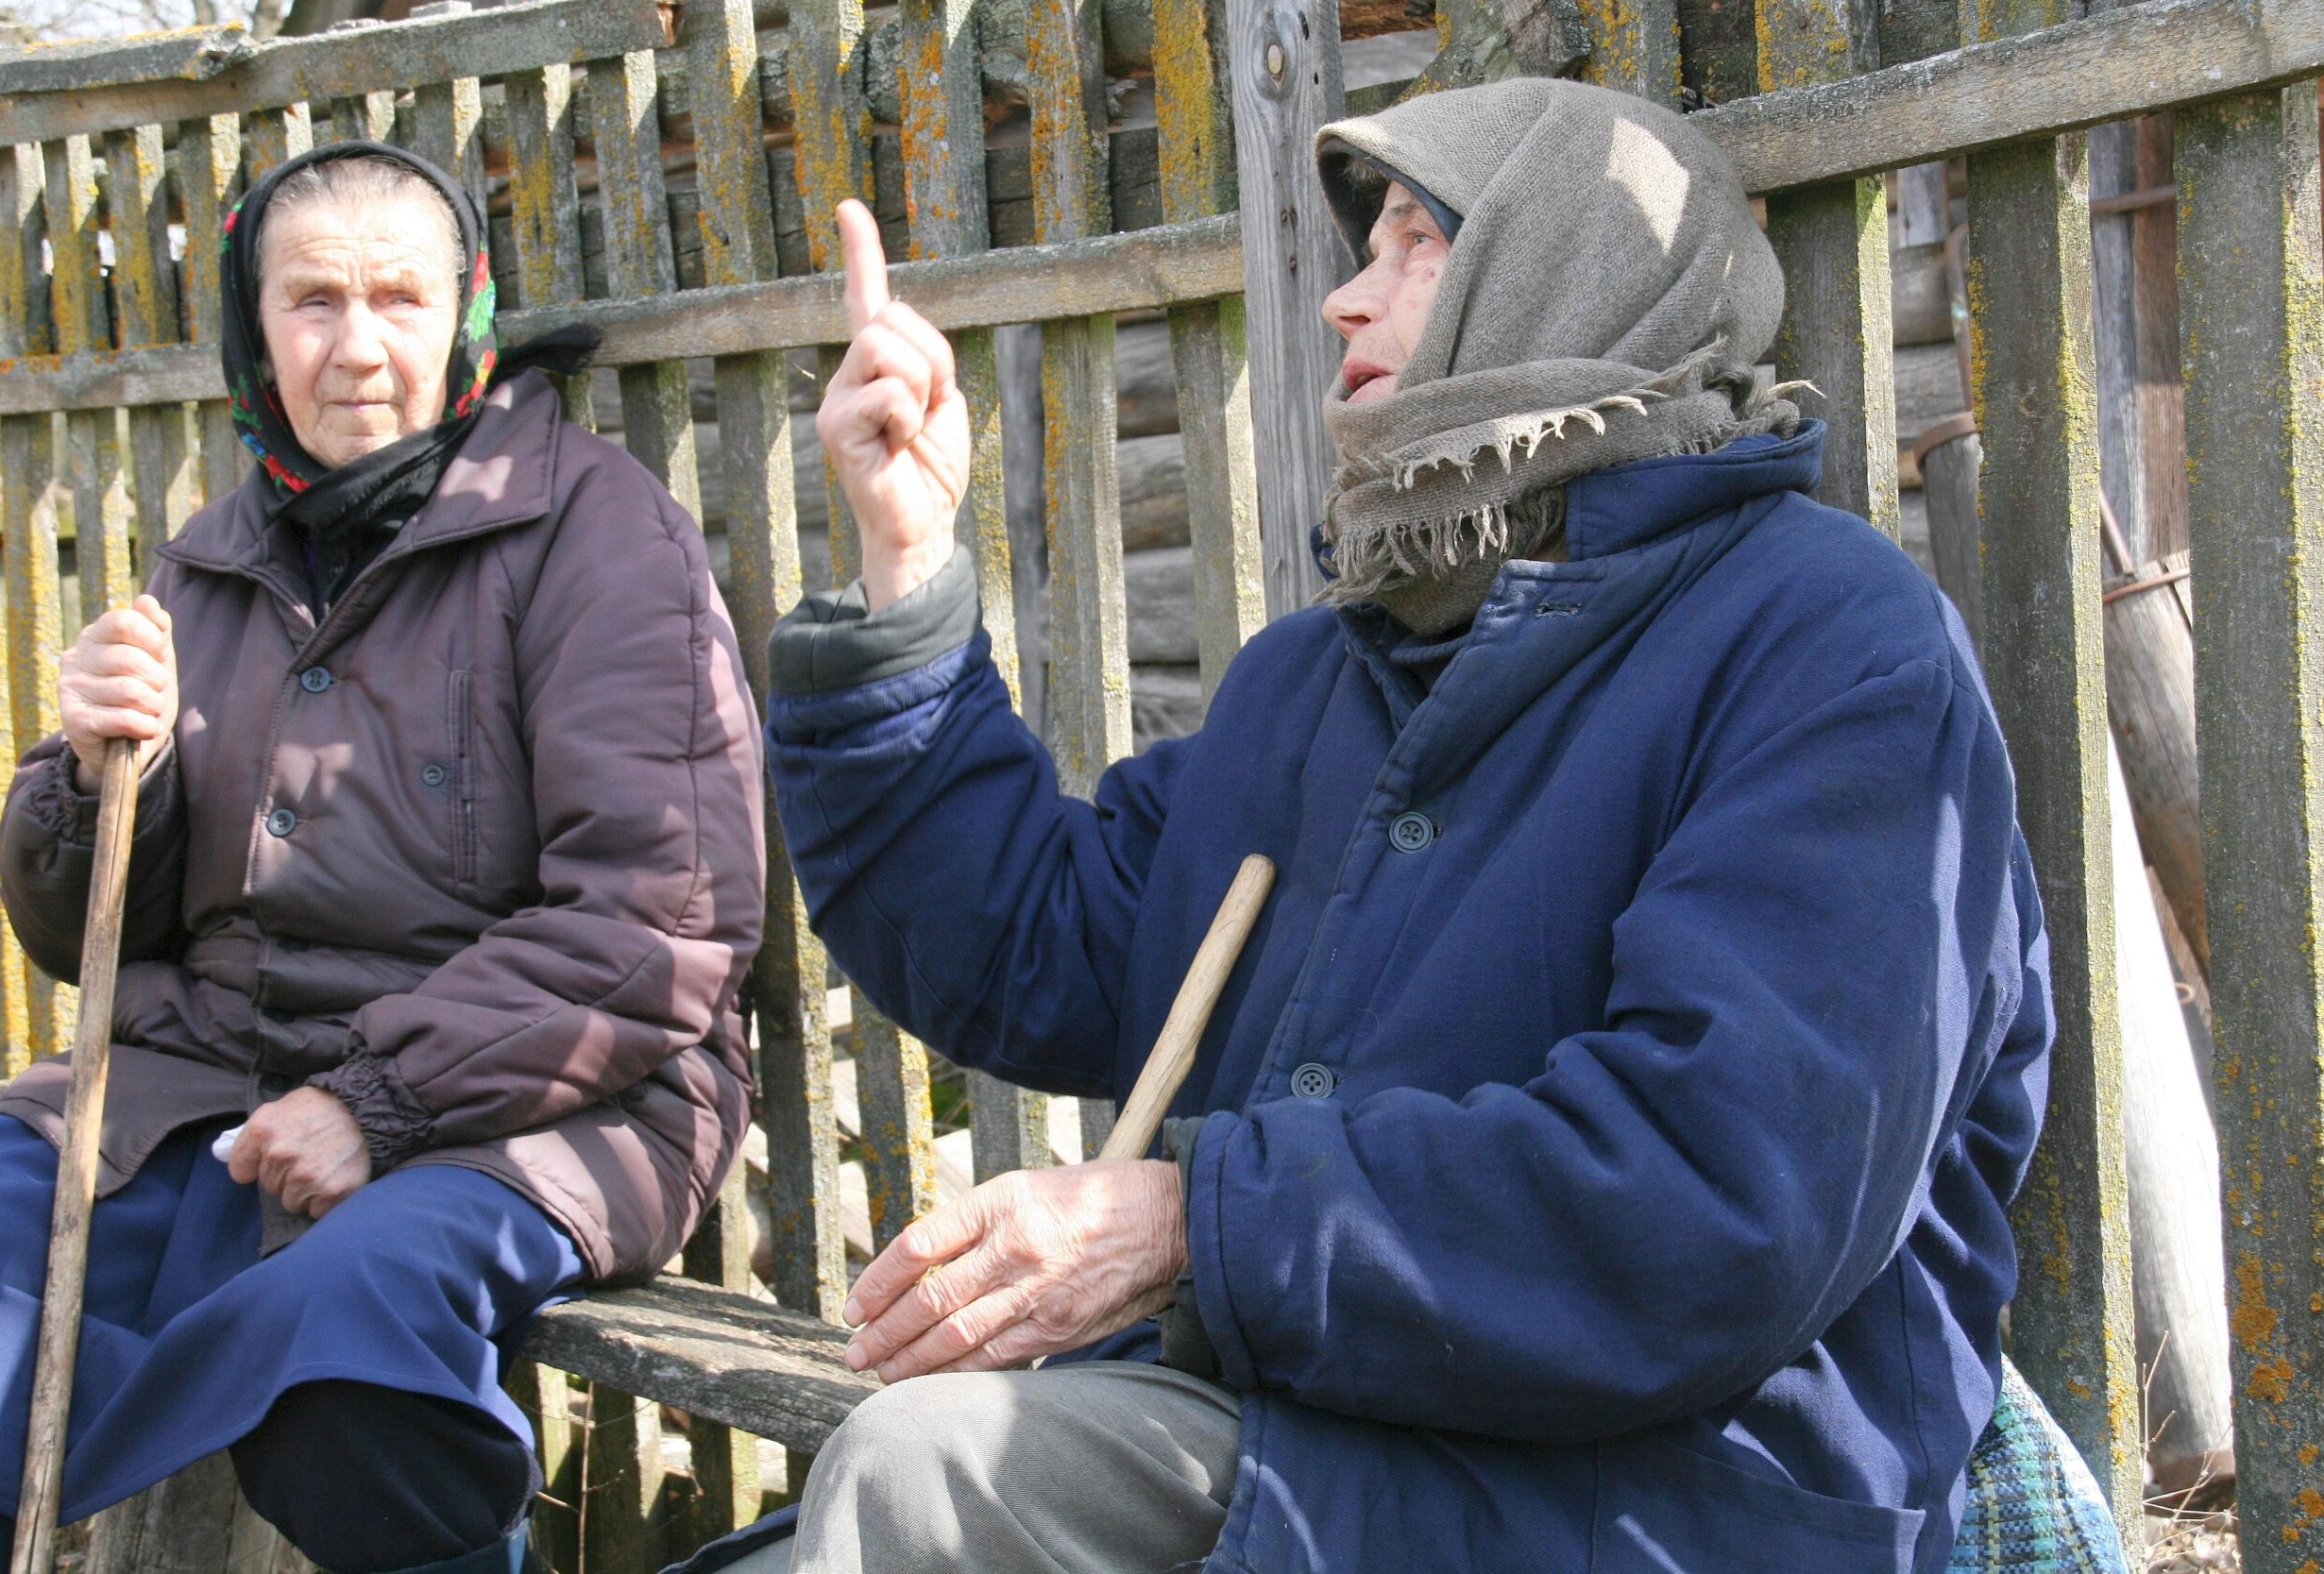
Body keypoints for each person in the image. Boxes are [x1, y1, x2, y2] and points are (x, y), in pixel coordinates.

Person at [678, 77, 2114, 1574]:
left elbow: (1726, 1198)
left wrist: (1192, 1228)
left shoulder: (1826, 643)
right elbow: (1032, 941)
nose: (1342, 303)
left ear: (1561, 269)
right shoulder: (1331, 672)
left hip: (1666, 1500)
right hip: (1311, 1442)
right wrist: (907, 566)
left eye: (1418, 243)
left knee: (924, 1478)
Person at [0, 140, 765, 1574]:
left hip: (548, 1096)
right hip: (207, 1085)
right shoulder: (212, 558)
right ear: (255, 333)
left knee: (342, 1360)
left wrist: (381, 1101)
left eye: (399, 300)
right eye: (311, 303)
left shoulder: (597, 536)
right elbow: (84, 941)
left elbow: (653, 923)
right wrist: (101, 775)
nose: (357, 347)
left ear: (465, 317)